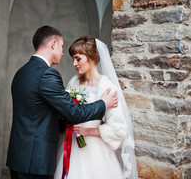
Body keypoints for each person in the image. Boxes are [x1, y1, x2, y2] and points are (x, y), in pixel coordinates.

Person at [6, 26, 119, 179]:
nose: (62, 53)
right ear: (53, 44)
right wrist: (103, 103)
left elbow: (39, 113)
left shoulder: (21, 72)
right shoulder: (47, 74)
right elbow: (74, 113)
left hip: (18, 157)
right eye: (61, 47)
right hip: (36, 161)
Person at [54, 35, 138, 179]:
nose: (74, 63)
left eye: (78, 58)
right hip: (71, 146)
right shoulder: (73, 82)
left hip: (96, 153)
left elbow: (118, 129)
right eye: (73, 59)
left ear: (91, 58)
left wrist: (89, 131)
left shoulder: (106, 87)